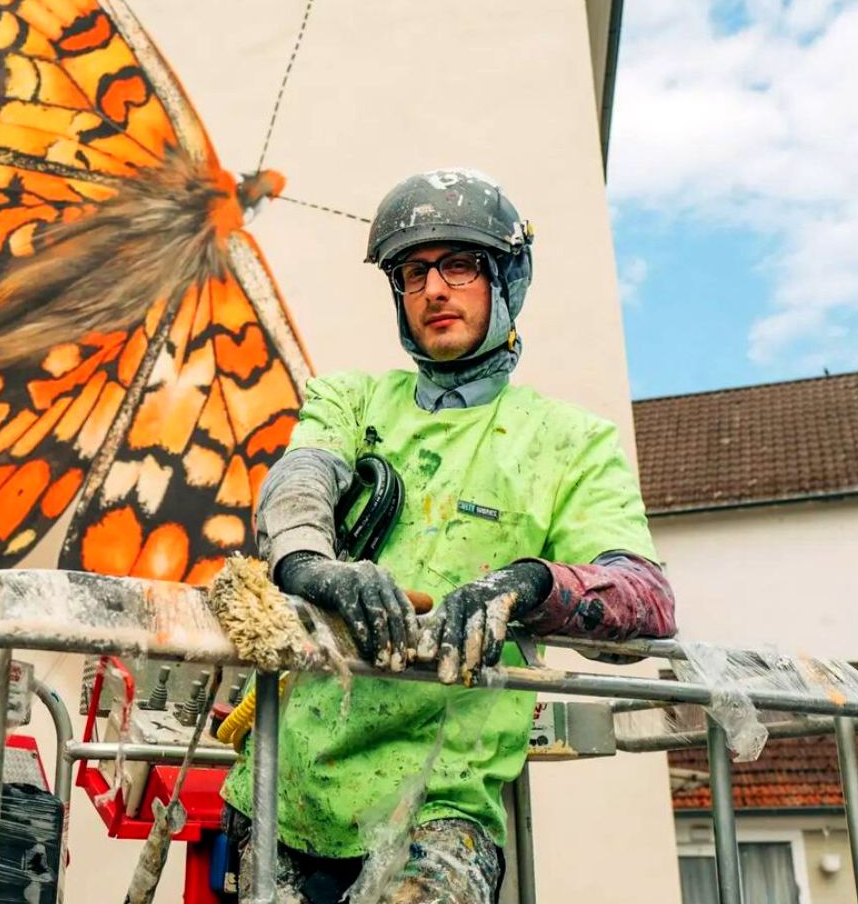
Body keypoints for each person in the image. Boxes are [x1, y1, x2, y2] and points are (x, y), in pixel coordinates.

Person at [220, 168, 677, 904]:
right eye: (412, 272)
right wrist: (310, 565)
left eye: (460, 265)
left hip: (442, 805)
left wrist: (528, 585)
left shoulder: (569, 442)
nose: (435, 289)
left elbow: (644, 597)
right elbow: (300, 480)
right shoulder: (352, 398)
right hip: (281, 789)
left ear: (507, 279)